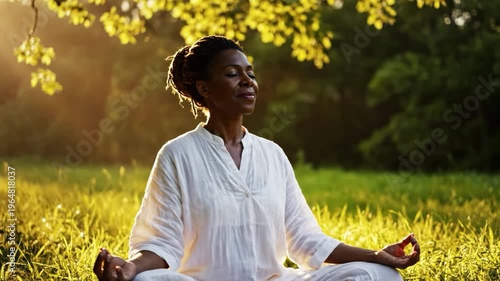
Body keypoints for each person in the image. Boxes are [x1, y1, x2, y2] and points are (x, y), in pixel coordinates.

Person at [93, 35, 420, 281]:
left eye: (250, 73)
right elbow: (161, 242)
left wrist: (376, 255)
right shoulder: (178, 154)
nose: (248, 81)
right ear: (204, 88)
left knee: (378, 276)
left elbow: (305, 239)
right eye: (233, 74)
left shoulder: (272, 154)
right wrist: (132, 266)